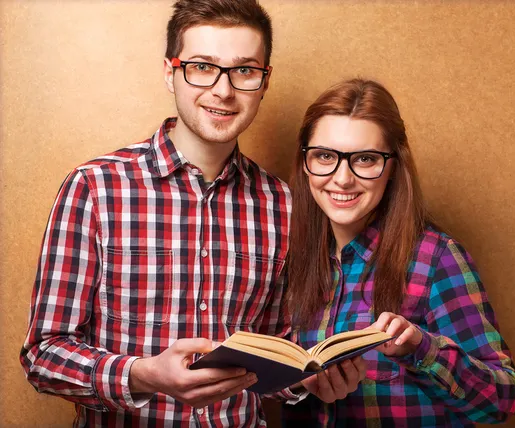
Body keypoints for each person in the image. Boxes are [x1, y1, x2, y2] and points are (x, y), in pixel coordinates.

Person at [20, 1, 364, 426]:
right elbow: (42, 354)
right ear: (170, 72)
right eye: (202, 66)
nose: (223, 90)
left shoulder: (283, 204)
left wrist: (307, 380)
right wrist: (141, 375)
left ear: (263, 82)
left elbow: (277, 351)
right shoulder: (95, 188)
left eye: (244, 70)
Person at [283, 79, 515, 427]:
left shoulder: (436, 258)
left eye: (365, 159)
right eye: (325, 156)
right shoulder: (297, 260)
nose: (342, 178)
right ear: (305, 163)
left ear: (393, 165)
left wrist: (420, 350)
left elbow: (502, 400)